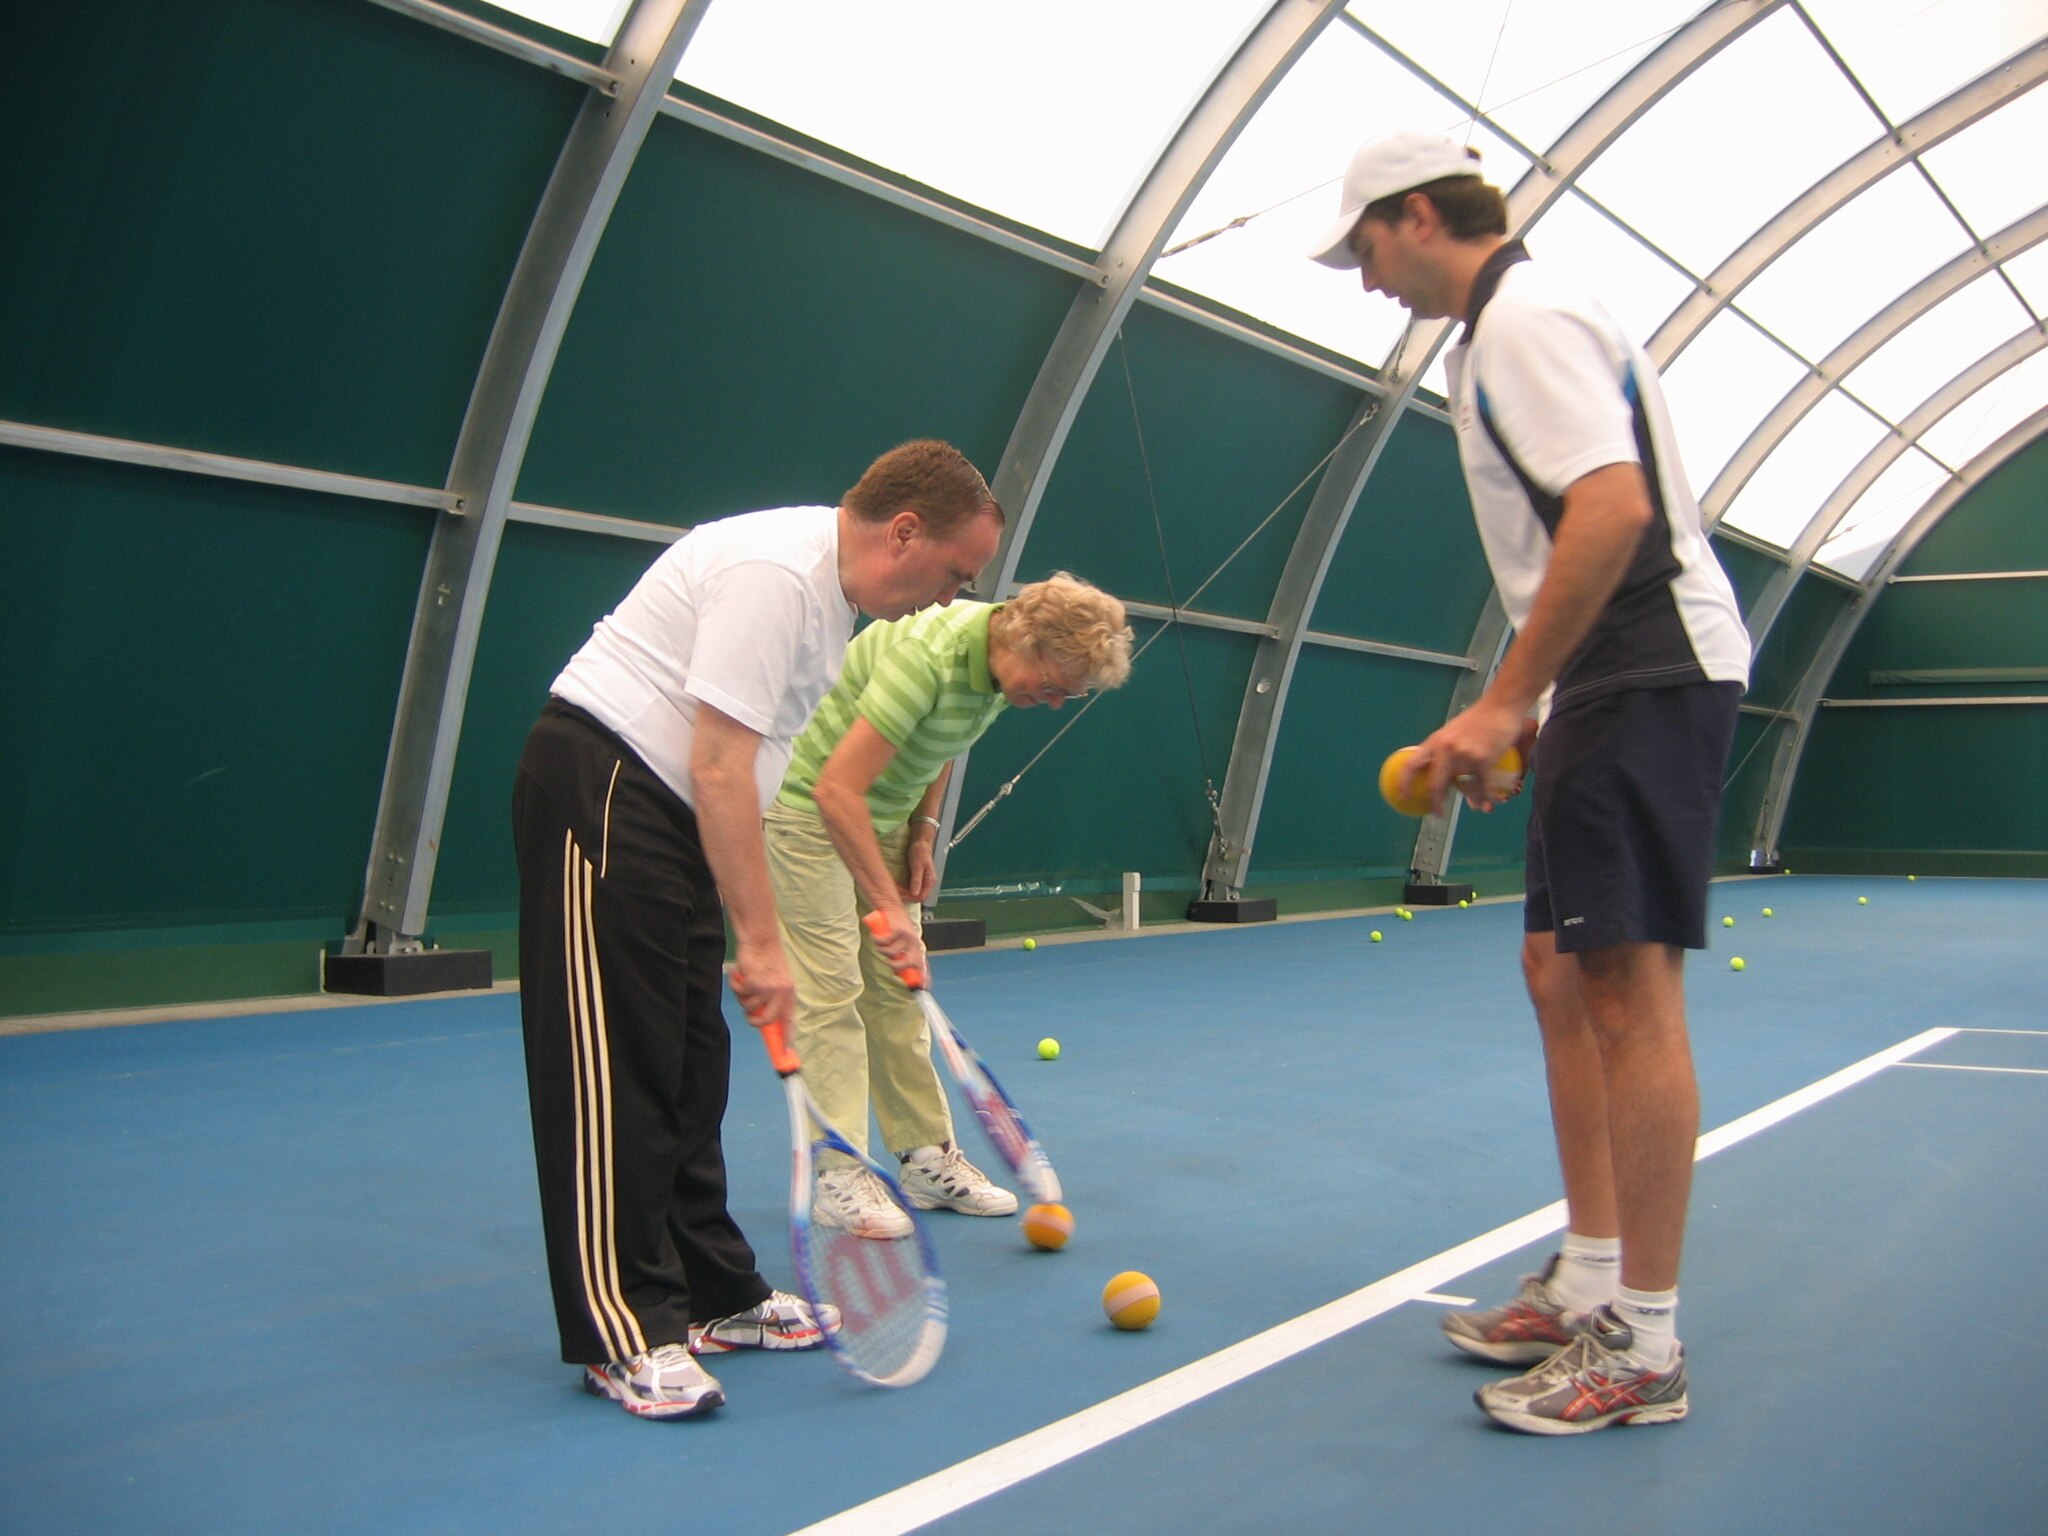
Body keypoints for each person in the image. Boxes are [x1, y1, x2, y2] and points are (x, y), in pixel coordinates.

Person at [1311, 132, 1750, 1434]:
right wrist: (1534, 718)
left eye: (1369, 246)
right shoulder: (1502, 329)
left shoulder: (1527, 316)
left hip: (1649, 658)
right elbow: (1574, 530)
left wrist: (1507, 701)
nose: (1366, 275)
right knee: (1560, 970)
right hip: (1603, 679)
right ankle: (1593, 1274)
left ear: (1426, 214)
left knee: (1625, 983)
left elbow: (1612, 513)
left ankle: (1645, 1346)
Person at [511, 440, 1004, 1419]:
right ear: (903, 532)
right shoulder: (778, 576)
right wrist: (763, 943)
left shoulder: (832, 611)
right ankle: (623, 1331)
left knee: (691, 1061)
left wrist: (881, 912)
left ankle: (711, 1294)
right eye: (955, 573)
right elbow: (720, 764)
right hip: (606, 790)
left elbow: (788, 779)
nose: (952, 598)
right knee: (617, 1072)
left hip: (674, 819)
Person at [763, 574, 1134, 1237]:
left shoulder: (999, 672)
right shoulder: (927, 656)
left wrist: (923, 831)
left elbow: (940, 745)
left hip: (883, 817)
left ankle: (925, 1157)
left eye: (1066, 695)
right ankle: (840, 1173)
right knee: (833, 989)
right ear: (1023, 635)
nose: (1051, 703)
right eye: (1052, 686)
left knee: (897, 995)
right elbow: (835, 791)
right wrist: (891, 914)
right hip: (809, 810)